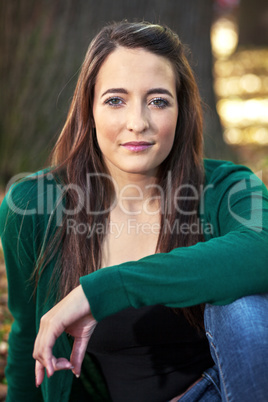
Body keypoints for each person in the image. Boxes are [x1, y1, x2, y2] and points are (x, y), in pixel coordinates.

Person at [0, 21, 268, 402]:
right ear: (88, 109)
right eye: (115, 100)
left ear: (182, 110)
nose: (138, 123)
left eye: (158, 101)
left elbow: (263, 249)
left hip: (228, 390)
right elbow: (31, 340)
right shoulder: (33, 207)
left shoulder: (227, 189)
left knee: (242, 304)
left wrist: (103, 291)